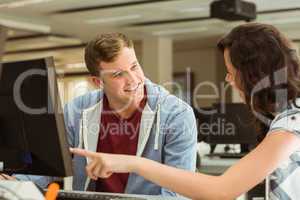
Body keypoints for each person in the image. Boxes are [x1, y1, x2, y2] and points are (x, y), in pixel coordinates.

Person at [71, 23, 300, 199]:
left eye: (230, 71)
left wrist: (131, 163)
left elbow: (221, 190)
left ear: (254, 74)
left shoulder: (291, 123)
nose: (228, 80)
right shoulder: (286, 117)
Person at [2, 32, 197, 196]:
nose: (133, 80)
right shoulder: (76, 111)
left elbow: (179, 193)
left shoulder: (177, 115)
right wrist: (13, 182)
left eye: (134, 67)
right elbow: (51, 166)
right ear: (97, 82)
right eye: (118, 74)